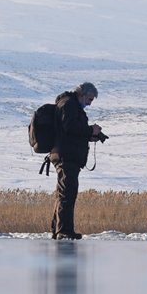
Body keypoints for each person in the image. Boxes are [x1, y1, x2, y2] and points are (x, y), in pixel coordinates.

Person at [50, 82, 103, 240]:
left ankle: (58, 229)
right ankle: (64, 231)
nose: (90, 103)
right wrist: (90, 130)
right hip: (67, 156)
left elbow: (72, 130)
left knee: (64, 193)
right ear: (81, 94)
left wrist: (90, 135)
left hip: (67, 154)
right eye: (89, 99)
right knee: (67, 193)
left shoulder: (70, 104)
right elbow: (70, 127)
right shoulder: (69, 104)